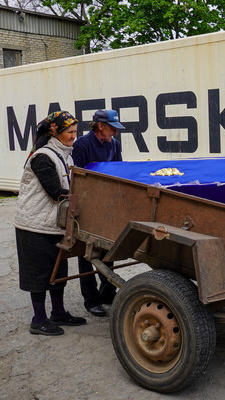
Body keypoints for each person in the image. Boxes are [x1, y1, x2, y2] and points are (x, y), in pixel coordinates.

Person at [14, 111, 87, 336]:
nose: (74, 136)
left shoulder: (66, 155)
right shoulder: (42, 156)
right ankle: (38, 319)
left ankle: (58, 312)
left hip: (54, 224)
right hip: (33, 225)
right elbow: (56, 192)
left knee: (58, 271)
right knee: (39, 275)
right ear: (55, 132)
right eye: (70, 132)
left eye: (75, 131)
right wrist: (88, 195)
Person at [71, 109, 125, 317]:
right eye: (112, 128)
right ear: (100, 126)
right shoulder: (82, 145)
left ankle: (107, 292)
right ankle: (91, 300)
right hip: (88, 206)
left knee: (108, 249)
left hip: (108, 205)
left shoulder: (115, 145)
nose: (115, 133)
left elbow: (120, 173)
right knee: (87, 253)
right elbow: (77, 179)